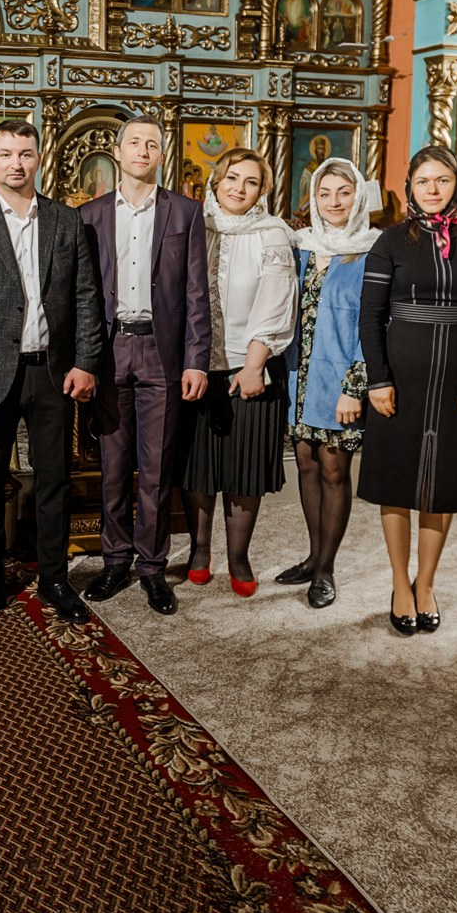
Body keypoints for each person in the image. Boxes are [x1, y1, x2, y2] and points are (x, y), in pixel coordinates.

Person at [0, 119, 104, 625]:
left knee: (54, 478)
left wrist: (85, 361)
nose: (16, 163)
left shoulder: (66, 221)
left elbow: (86, 296)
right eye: (7, 154)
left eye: (25, 154)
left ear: (39, 159)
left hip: (53, 371)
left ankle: (55, 579)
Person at [360, 145, 457, 636]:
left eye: (442, 180)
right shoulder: (389, 242)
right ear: (410, 186)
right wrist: (378, 379)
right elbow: (370, 315)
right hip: (399, 377)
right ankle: (399, 583)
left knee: (440, 483)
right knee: (396, 479)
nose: (432, 189)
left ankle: (425, 583)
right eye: (423, 181)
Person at [78, 117, 211, 616]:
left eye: (152, 144)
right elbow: (81, 294)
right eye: (134, 142)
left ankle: (152, 567)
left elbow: (197, 292)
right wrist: (83, 359)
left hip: (162, 349)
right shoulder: (89, 215)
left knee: (156, 467)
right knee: (113, 465)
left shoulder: (185, 212)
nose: (142, 150)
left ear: (161, 155)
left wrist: (197, 360)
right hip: (109, 349)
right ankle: (115, 560)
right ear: (117, 151)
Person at [176, 147, 297, 597]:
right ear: (216, 181)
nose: (239, 188)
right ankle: (199, 552)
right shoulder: (194, 225)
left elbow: (277, 300)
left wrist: (254, 364)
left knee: (244, 469)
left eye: (251, 181)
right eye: (231, 178)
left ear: (262, 190)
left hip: (252, 367)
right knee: (197, 464)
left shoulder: (272, 234)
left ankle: (239, 556)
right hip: (196, 365)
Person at [282, 158, 381, 609]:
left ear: (358, 196)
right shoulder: (300, 247)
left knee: (334, 470)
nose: (334, 201)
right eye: (325, 193)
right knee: (305, 464)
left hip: (339, 381)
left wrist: (355, 387)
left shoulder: (372, 252)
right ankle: (312, 555)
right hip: (297, 377)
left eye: (344, 192)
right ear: (313, 198)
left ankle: (326, 569)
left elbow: (374, 325)